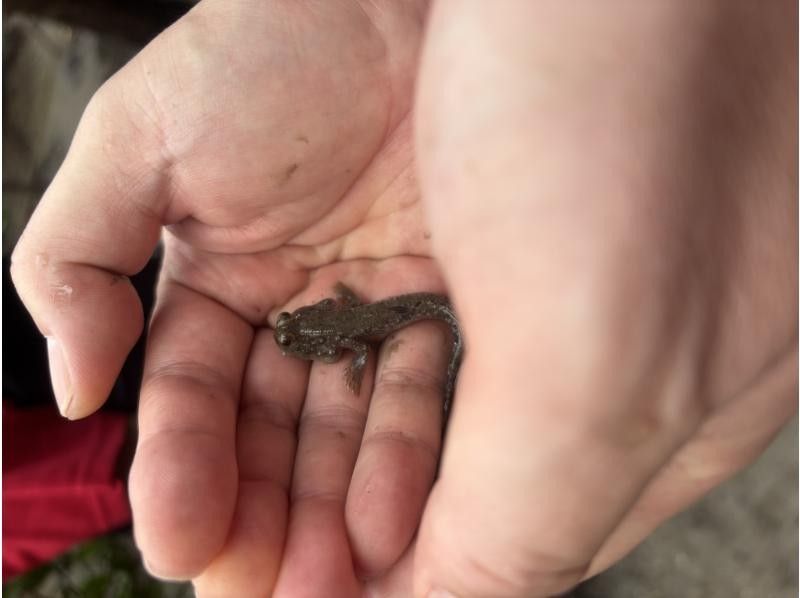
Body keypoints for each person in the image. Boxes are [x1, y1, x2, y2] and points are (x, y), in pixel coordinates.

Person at [10, 2, 797, 597]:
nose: (288, 336)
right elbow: (337, 330)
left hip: (379, 310)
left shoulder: (345, 334)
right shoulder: (333, 333)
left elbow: (348, 331)